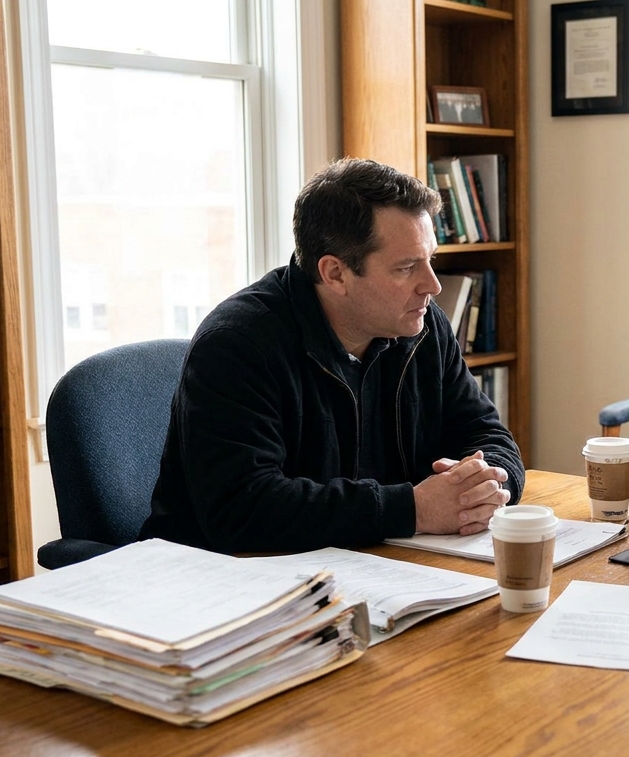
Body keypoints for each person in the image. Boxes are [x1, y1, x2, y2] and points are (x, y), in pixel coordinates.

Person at [141, 158, 525, 553]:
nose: (432, 285)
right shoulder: (237, 344)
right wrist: (413, 508)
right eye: (407, 267)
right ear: (335, 274)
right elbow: (244, 509)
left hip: (373, 563)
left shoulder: (425, 327)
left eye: (431, 260)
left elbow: (487, 433)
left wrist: (490, 485)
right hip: (225, 582)